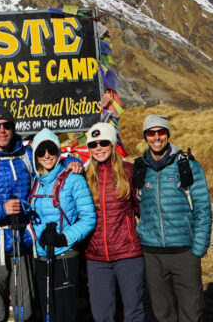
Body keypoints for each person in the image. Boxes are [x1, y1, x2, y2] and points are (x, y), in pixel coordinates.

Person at [0, 108, 83, 322]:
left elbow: (51, 163)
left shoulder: (26, 155)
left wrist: (74, 163)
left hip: (23, 243)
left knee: (24, 311)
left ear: (13, 127)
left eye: (6, 125)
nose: (2, 130)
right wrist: (2, 209)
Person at [134, 115, 212, 322]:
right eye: (151, 133)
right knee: (162, 314)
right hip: (152, 254)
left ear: (168, 134)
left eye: (161, 132)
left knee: (191, 312)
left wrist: (198, 249)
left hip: (184, 253)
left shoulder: (187, 165)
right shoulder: (139, 168)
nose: (156, 137)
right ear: (145, 137)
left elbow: (203, 208)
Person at [28, 128, 95, 322]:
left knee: (65, 314)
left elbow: (88, 218)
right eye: (41, 151)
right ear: (35, 156)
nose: (47, 155)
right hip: (41, 256)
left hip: (65, 255)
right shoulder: (36, 182)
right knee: (48, 314)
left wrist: (64, 237)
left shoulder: (74, 179)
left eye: (51, 150)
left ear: (59, 152)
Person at [83, 121, 144, 322]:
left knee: (133, 311)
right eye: (93, 144)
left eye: (103, 143)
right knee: (101, 315)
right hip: (96, 256)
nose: (98, 148)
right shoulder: (84, 176)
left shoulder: (129, 171)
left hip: (128, 253)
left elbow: (141, 209)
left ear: (112, 143)